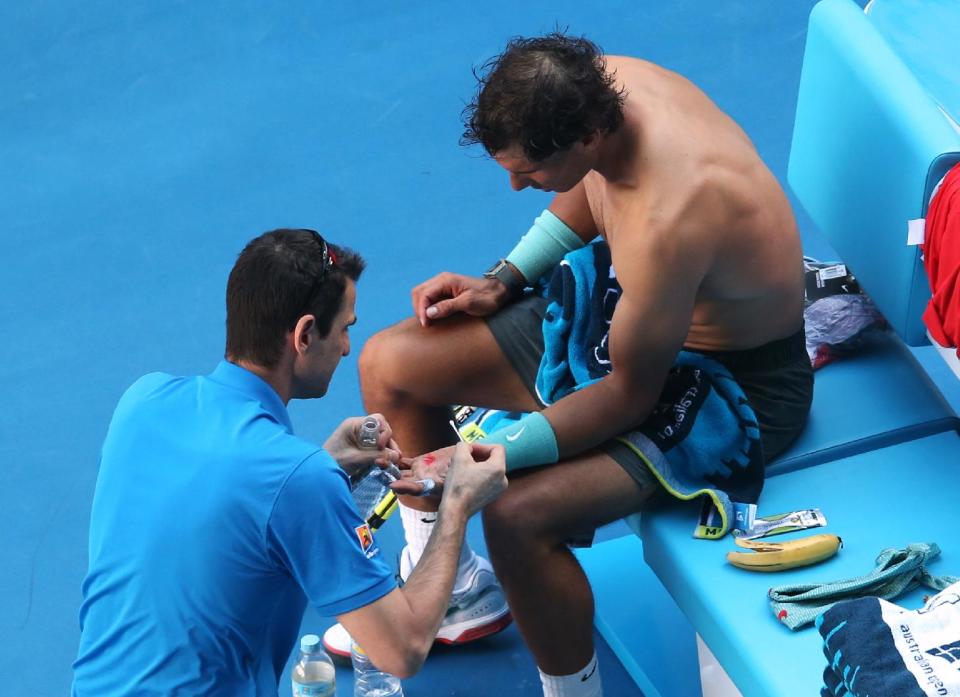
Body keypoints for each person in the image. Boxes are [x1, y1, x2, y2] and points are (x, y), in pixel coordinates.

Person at [327, 33, 816, 696]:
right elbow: (592, 189)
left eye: (528, 171)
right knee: (392, 363)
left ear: (585, 135)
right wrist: (505, 278)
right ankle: (455, 592)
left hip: (733, 383)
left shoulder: (669, 213)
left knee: (518, 515)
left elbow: (628, 396)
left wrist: (496, 454)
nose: (514, 183)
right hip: (638, 308)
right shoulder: (603, 90)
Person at [71, 228, 507, 696]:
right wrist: (456, 505)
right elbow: (402, 650)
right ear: (304, 334)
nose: (344, 347)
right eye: (344, 329)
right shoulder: (298, 480)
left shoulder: (141, 401)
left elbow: (231, 508)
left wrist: (326, 463)